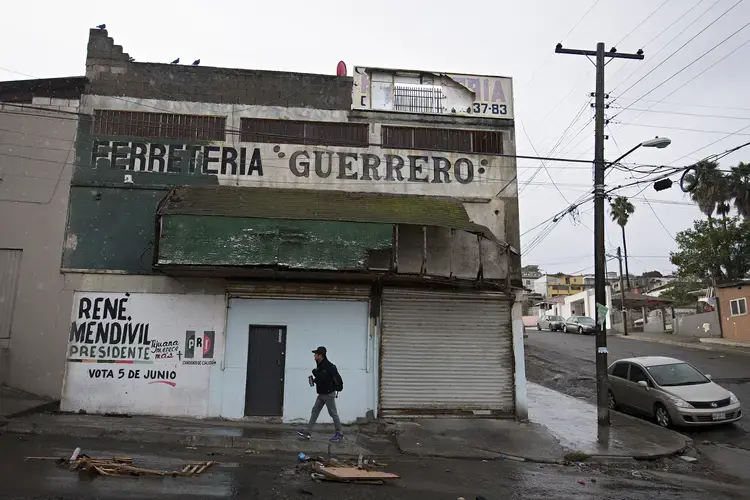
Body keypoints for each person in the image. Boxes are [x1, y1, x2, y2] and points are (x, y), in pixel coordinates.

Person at [297, 346, 344, 442]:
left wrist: (314, 372)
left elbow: (322, 377)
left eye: (316, 354)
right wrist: (314, 380)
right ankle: (308, 432)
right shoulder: (321, 365)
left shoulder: (327, 365)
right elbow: (322, 379)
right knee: (315, 411)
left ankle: (339, 433)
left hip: (328, 394)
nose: (314, 356)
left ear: (320, 355)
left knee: (333, 413)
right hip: (321, 393)